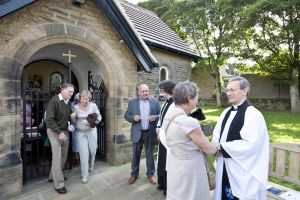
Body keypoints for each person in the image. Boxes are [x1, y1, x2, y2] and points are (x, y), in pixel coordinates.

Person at [212, 76, 269, 200]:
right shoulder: (226, 112)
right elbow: (217, 135)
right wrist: (215, 146)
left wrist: (222, 147)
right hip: (224, 165)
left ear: (244, 91)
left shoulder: (253, 114)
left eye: (232, 90)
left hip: (242, 169)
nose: (228, 93)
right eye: (227, 90)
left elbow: (252, 145)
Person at [162, 81, 219, 200]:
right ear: (189, 98)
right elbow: (209, 149)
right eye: (196, 97)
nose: (197, 101)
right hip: (190, 171)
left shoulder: (169, 115)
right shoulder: (188, 122)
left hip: (175, 165)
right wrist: (218, 145)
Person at [124, 84, 160, 185]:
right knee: (136, 155)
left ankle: (150, 175)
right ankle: (134, 174)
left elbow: (160, 115)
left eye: (147, 91)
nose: (145, 93)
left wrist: (155, 117)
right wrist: (133, 118)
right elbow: (126, 115)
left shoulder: (155, 102)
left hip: (150, 132)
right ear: (138, 92)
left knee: (150, 155)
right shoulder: (132, 103)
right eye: (143, 91)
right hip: (137, 133)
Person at [46, 83, 74, 194]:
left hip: (64, 131)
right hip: (54, 131)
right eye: (69, 91)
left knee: (63, 155)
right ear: (62, 90)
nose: (71, 94)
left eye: (72, 92)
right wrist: (59, 132)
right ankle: (59, 184)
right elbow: (49, 120)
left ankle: (54, 176)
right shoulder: (54, 101)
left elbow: (64, 116)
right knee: (57, 157)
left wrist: (70, 117)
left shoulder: (67, 102)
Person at [71, 90, 102, 184]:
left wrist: (94, 122)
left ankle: (91, 163)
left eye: (87, 99)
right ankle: (84, 175)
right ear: (80, 98)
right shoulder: (75, 107)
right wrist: (72, 117)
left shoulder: (93, 106)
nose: (85, 101)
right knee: (84, 153)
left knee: (92, 150)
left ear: (89, 98)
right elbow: (74, 121)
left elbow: (99, 117)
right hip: (80, 133)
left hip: (91, 131)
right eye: (83, 99)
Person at [155, 80, 176, 196]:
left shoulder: (175, 104)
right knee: (162, 161)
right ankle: (162, 183)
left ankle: (168, 188)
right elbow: (161, 118)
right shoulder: (166, 102)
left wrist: (161, 131)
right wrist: (158, 126)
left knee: (168, 162)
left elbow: (171, 122)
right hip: (162, 136)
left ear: (167, 90)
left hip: (168, 138)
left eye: (162, 90)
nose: (161, 92)